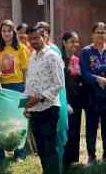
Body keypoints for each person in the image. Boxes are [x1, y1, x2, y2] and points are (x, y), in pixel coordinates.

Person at [79, 21, 106, 165]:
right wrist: (96, 78)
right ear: (92, 34)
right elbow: (84, 73)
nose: (101, 34)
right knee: (91, 126)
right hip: (92, 95)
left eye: (103, 32)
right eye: (98, 32)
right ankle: (91, 155)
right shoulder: (86, 52)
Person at [24, 26, 66, 174]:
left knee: (49, 147)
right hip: (34, 109)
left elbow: (59, 83)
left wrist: (40, 97)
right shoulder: (32, 57)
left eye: (36, 38)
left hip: (49, 107)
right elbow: (30, 83)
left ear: (44, 37)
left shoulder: (52, 56)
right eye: (30, 39)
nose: (33, 41)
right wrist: (26, 106)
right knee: (40, 148)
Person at [0, 19, 30, 161]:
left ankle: (19, 153)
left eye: (9, 30)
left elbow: (26, 71)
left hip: (19, 87)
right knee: (0, 120)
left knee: (19, 120)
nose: (6, 33)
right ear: (0, 33)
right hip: (1, 89)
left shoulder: (22, 49)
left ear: (13, 32)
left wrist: (26, 91)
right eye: (3, 31)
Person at [36, 20, 68, 168]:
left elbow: (59, 80)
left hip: (56, 97)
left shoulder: (54, 50)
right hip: (38, 101)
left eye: (44, 32)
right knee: (43, 139)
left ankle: (58, 168)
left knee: (58, 134)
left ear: (48, 34)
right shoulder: (34, 51)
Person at [61, 31, 84, 169]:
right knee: (65, 129)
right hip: (64, 99)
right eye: (72, 41)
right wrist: (65, 101)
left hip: (77, 100)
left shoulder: (77, 59)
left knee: (75, 129)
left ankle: (74, 160)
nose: (75, 44)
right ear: (64, 43)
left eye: (76, 41)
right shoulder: (59, 59)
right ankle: (64, 160)